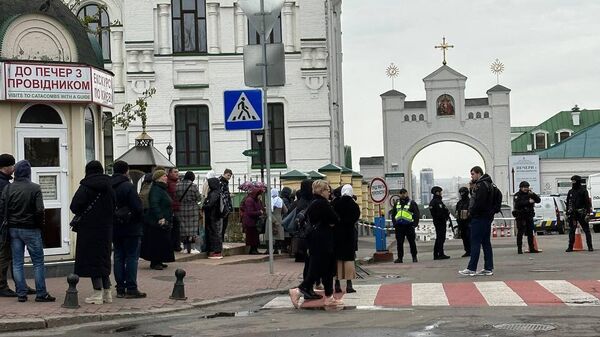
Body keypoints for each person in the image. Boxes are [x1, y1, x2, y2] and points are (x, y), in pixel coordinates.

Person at [0, 160, 55, 303]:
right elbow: (40, 210)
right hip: (30, 229)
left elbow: (2, 209)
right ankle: (41, 294)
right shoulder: (35, 188)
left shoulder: (8, 188)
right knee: (38, 262)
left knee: (17, 262)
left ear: (16, 172)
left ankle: (21, 294)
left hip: (13, 229)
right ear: (29, 173)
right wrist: (40, 226)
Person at [289, 180, 341, 310]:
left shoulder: (314, 203)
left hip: (318, 240)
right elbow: (335, 219)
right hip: (321, 241)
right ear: (321, 191)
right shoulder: (322, 204)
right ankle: (299, 291)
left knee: (326, 269)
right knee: (317, 269)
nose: (329, 193)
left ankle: (329, 297)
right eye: (327, 190)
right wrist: (331, 222)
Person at [70, 161, 114, 304]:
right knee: (103, 258)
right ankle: (107, 293)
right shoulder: (110, 186)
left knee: (92, 260)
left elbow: (74, 206)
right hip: (106, 228)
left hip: (89, 229)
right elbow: (114, 205)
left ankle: (97, 294)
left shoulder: (86, 186)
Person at [0, 154, 34, 298]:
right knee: (5, 256)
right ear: (6, 167)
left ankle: (21, 285)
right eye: (12, 166)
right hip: (4, 227)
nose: (14, 169)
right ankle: (2, 286)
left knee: (14, 256)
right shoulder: (3, 184)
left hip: (7, 225)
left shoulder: (5, 182)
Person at [111, 160, 146, 299]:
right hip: (131, 227)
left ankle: (120, 288)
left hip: (115, 226)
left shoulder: (109, 186)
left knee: (118, 257)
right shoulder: (128, 186)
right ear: (126, 171)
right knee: (131, 257)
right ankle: (131, 287)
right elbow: (138, 208)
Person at [459, 166, 495, 276]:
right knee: (486, 243)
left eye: (473, 174)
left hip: (479, 218)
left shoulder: (481, 185)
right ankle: (488, 268)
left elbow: (479, 202)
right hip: (487, 217)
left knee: (475, 242)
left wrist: (472, 212)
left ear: (479, 173)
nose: (472, 176)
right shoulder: (490, 184)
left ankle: (471, 268)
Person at [140, 170, 175, 270]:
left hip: (163, 220)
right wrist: (160, 217)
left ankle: (159, 260)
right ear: (159, 178)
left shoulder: (162, 189)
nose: (166, 177)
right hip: (157, 221)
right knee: (157, 242)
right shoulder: (156, 189)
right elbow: (154, 203)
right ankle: (155, 262)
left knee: (162, 241)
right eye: (164, 176)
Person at [332, 184, 360, 293]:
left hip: (337, 235)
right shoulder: (354, 205)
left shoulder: (335, 203)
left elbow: (332, 217)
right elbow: (356, 218)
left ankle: (337, 284)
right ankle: (349, 284)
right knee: (349, 259)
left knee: (337, 259)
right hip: (349, 235)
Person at [392, 188, 420, 263]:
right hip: (399, 226)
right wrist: (395, 224)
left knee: (412, 242)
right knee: (399, 243)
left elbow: (416, 214)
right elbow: (393, 214)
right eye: (401, 193)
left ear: (407, 193)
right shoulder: (397, 203)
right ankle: (400, 258)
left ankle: (414, 257)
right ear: (399, 194)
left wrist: (414, 224)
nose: (403, 194)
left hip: (409, 226)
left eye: (404, 193)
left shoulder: (411, 203)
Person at [566, 175, 593, 252]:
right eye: (572, 181)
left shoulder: (583, 191)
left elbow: (587, 203)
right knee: (572, 230)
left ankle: (590, 246)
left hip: (582, 213)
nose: (573, 182)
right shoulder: (570, 192)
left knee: (586, 230)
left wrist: (588, 213)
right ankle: (570, 247)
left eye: (574, 181)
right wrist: (567, 212)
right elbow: (568, 203)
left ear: (578, 181)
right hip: (573, 214)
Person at [176, 171, 202, 254]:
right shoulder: (193, 186)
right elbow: (199, 198)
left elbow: (176, 197)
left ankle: (184, 247)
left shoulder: (178, 185)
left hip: (181, 209)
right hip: (192, 209)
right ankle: (193, 248)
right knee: (193, 228)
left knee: (183, 228)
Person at [512, 181, 541, 254]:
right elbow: (518, 204)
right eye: (524, 187)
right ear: (521, 188)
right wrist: (528, 202)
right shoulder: (517, 195)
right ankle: (519, 249)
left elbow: (538, 200)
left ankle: (532, 248)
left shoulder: (530, 194)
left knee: (530, 233)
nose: (526, 189)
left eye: (527, 187)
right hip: (520, 216)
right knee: (520, 233)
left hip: (529, 216)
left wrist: (533, 194)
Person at [290, 179, 313, 262]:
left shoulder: (301, 199)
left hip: (301, 227)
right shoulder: (309, 199)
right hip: (307, 226)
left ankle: (300, 254)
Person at [203, 177, 224, 259]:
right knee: (215, 232)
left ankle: (216, 251)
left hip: (213, 215)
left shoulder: (214, 193)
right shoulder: (217, 192)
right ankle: (215, 250)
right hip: (215, 215)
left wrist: (204, 206)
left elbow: (210, 204)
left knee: (214, 232)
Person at [429, 186, 450, 260]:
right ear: (437, 192)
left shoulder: (435, 201)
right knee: (440, 238)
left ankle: (438, 253)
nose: (441, 193)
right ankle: (439, 254)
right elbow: (439, 213)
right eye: (440, 192)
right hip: (439, 222)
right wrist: (445, 215)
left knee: (440, 238)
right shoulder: (436, 202)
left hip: (439, 221)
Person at [241, 187, 263, 255]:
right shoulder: (249, 200)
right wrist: (259, 212)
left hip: (255, 221)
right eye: (259, 194)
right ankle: (253, 250)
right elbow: (249, 212)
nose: (260, 196)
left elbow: (259, 208)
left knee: (255, 236)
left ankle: (254, 249)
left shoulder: (256, 200)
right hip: (250, 222)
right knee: (252, 237)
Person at [166, 167, 182, 252]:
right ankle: (172, 245)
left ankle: (177, 245)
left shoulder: (178, 182)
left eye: (177, 172)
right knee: (172, 228)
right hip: (171, 208)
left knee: (177, 227)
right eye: (175, 172)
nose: (177, 174)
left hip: (178, 208)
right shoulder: (168, 183)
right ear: (170, 173)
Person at [269, 188, 288, 255]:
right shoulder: (280, 200)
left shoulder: (269, 200)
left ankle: (269, 249)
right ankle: (276, 249)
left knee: (270, 234)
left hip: (270, 219)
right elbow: (286, 211)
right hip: (279, 218)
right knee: (278, 235)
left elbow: (268, 212)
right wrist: (280, 214)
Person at [455, 187, 472, 257]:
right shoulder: (459, 203)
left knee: (469, 237)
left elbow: (472, 212)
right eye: (461, 193)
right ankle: (467, 250)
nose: (462, 194)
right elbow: (457, 213)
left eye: (463, 192)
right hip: (461, 223)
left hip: (469, 222)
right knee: (464, 237)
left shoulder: (470, 201)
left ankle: (471, 250)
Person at [219, 169, 233, 242]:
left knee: (224, 224)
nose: (229, 177)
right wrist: (229, 195)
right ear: (224, 174)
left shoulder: (225, 182)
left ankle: (222, 239)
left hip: (225, 205)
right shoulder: (221, 182)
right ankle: (221, 240)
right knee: (223, 224)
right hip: (223, 206)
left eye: (230, 176)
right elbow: (221, 193)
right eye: (228, 175)